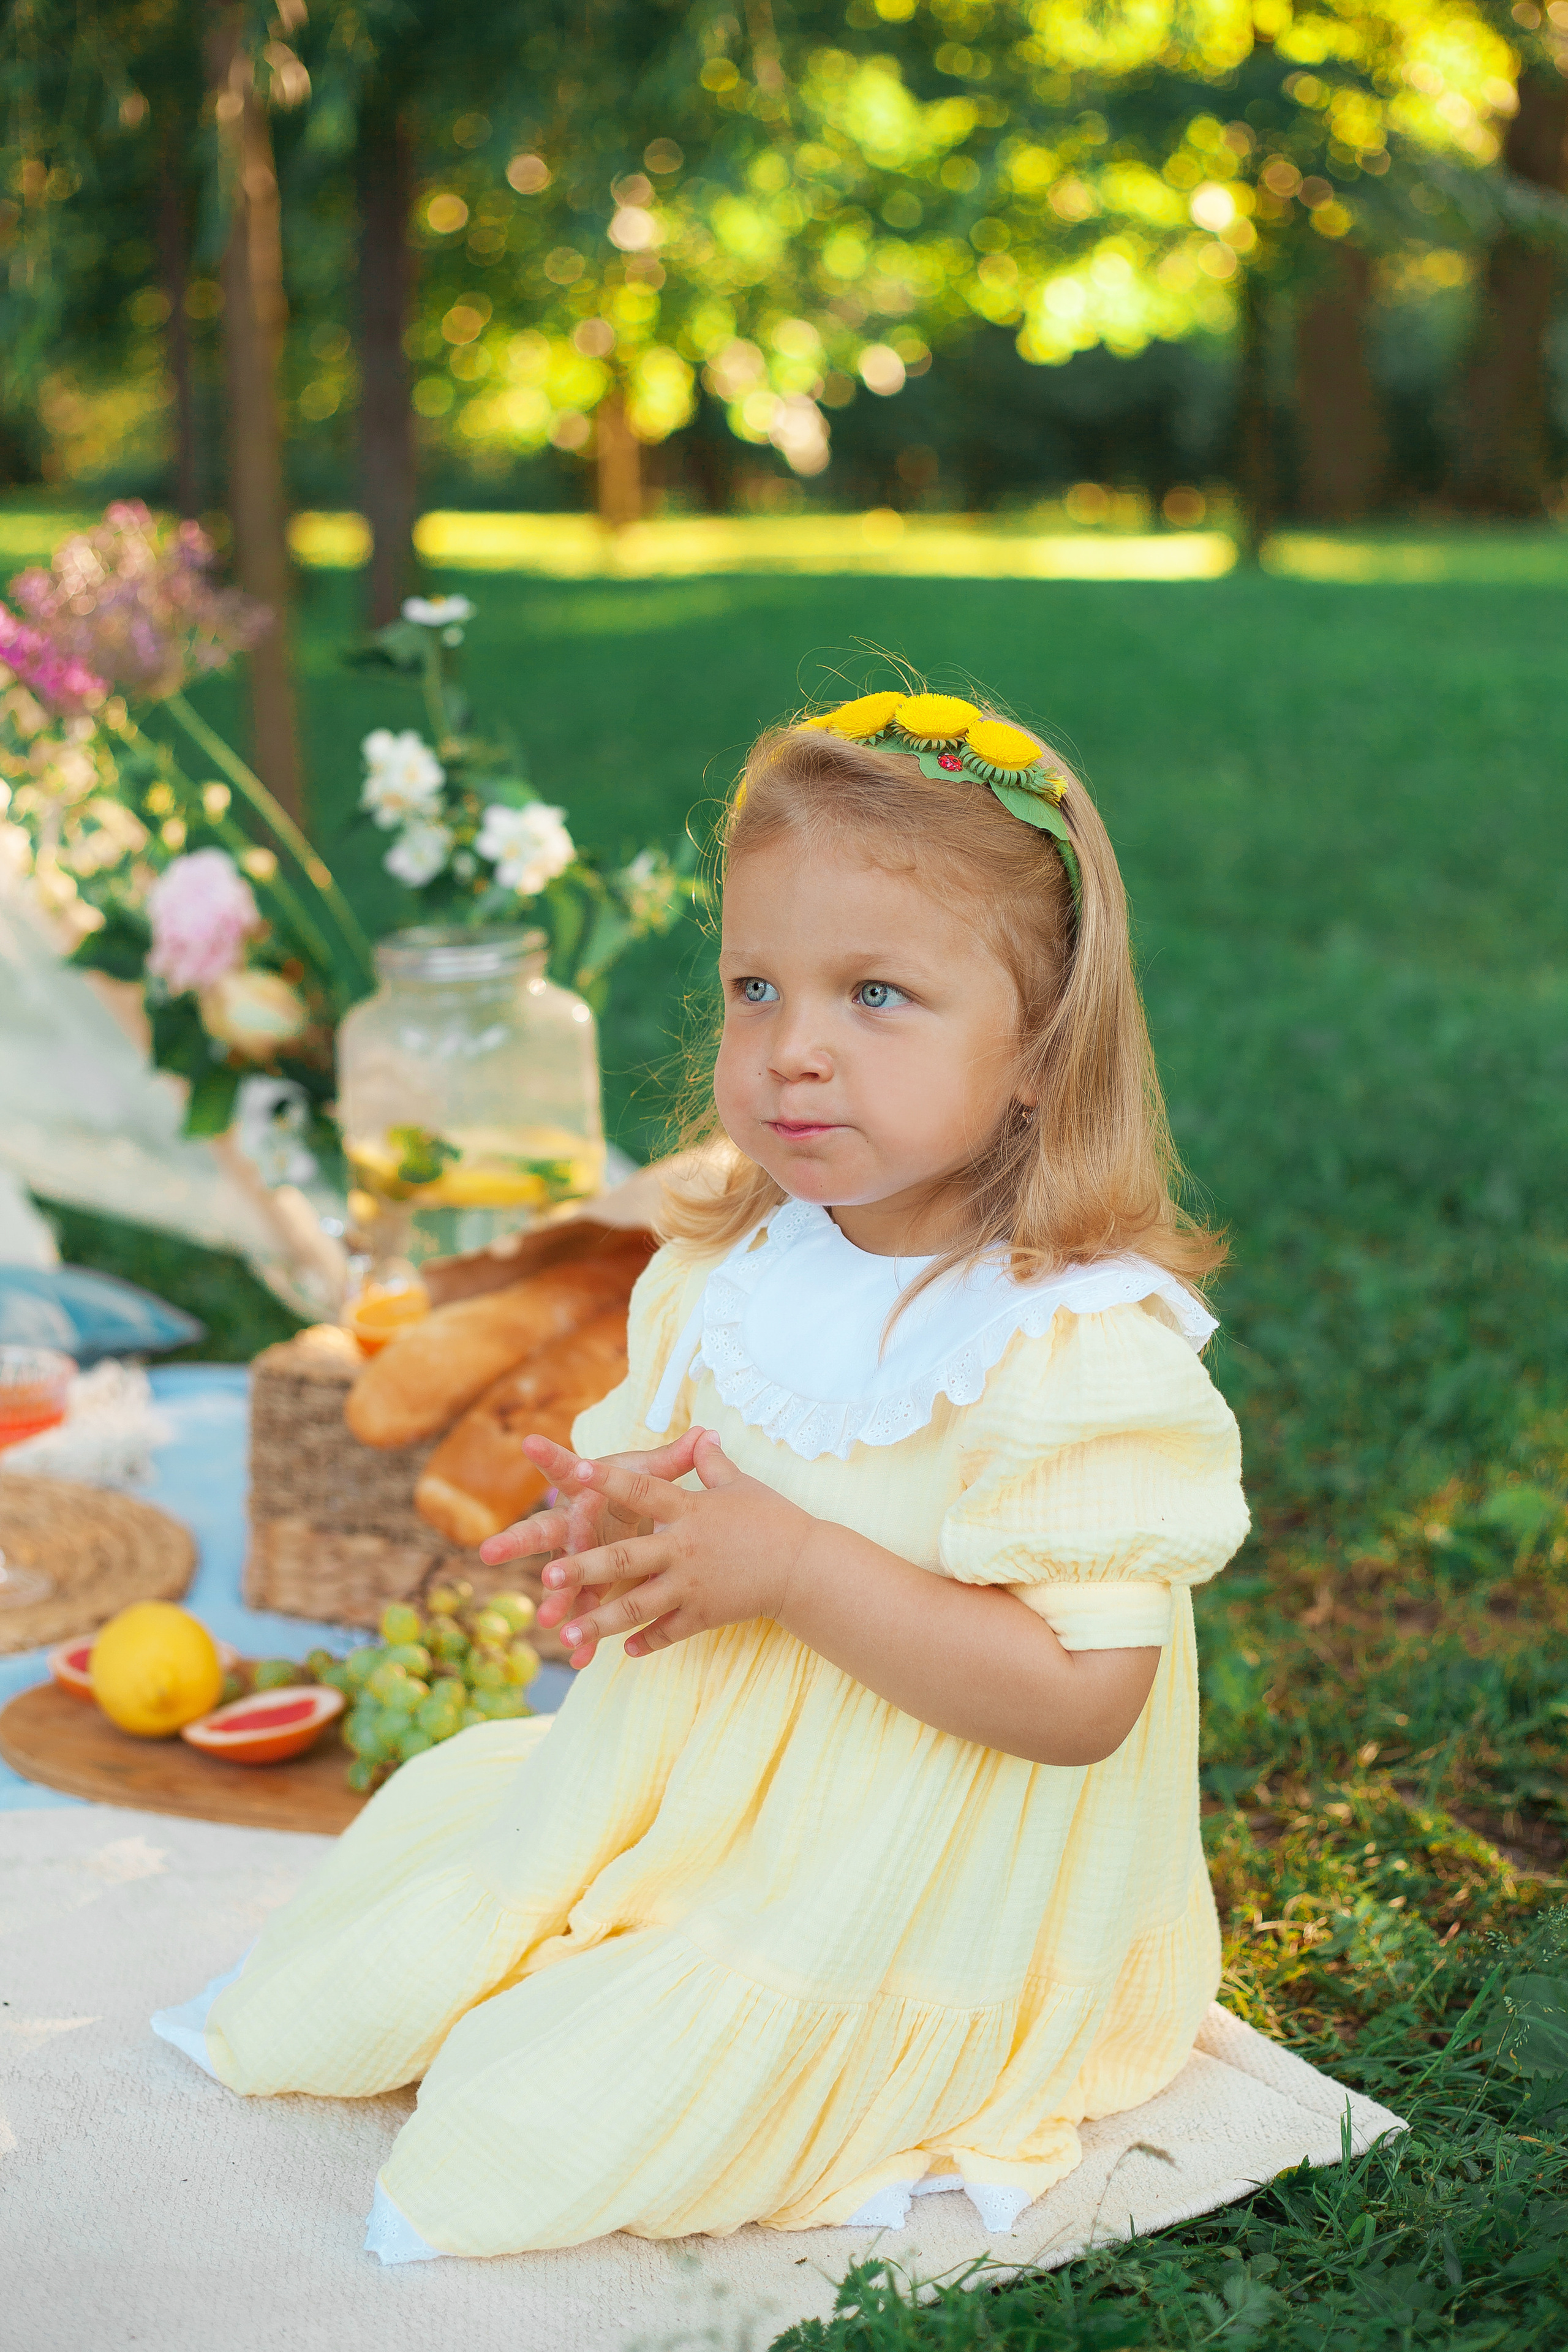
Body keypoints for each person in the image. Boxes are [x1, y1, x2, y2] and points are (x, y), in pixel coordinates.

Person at [153, 685, 1249, 2261]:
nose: (793, 1049)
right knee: (400, 1940)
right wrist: (618, 1532)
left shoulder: (1062, 1348)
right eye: (755, 987)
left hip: (925, 1882)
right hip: (713, 1805)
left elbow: (1081, 1701)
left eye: (876, 994)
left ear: (1037, 1047)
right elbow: (682, 1482)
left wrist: (792, 1566)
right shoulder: (730, 1267)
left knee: (567, 2099)